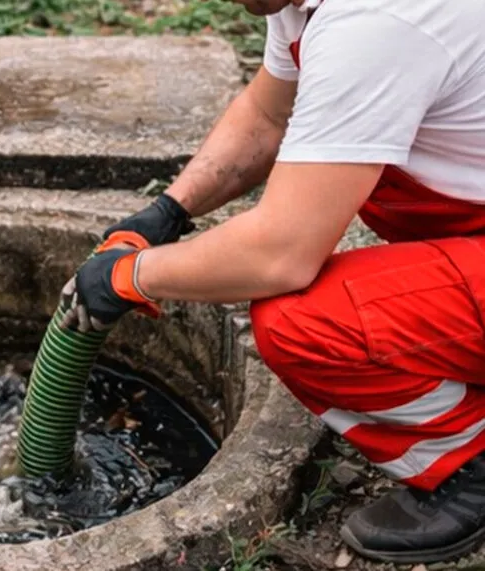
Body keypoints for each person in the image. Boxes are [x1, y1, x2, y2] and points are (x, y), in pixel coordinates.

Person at [57, 0, 485, 565]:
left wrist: (130, 277)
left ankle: (472, 467)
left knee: (305, 323)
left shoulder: (378, 24)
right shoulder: (303, 6)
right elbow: (267, 115)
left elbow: (281, 254)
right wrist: (168, 211)